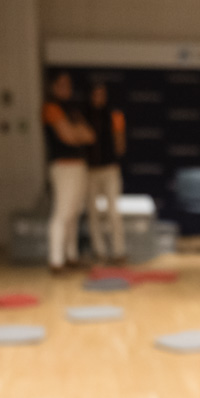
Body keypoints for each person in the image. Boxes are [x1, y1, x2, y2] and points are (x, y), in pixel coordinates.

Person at [42, 72, 95, 275]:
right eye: (62, 84)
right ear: (53, 87)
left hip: (79, 165)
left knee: (74, 214)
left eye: (69, 85)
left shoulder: (72, 110)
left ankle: (71, 257)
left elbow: (90, 135)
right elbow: (68, 136)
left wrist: (76, 132)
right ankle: (56, 261)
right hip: (63, 166)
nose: (67, 89)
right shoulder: (51, 108)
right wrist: (76, 132)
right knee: (62, 213)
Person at [84, 82, 127, 265]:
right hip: (90, 171)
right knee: (92, 212)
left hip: (109, 169)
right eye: (96, 94)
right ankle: (99, 251)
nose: (99, 98)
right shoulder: (84, 116)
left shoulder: (114, 115)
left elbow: (120, 145)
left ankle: (119, 251)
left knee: (113, 211)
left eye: (102, 94)